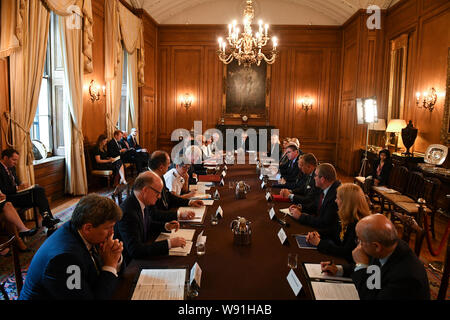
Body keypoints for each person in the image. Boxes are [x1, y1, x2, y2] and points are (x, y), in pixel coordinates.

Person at [20, 194, 124, 300]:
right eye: (108, 228)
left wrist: (114, 257)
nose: (112, 233)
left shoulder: (83, 231)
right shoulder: (65, 260)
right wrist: (110, 265)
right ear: (88, 228)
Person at [321, 214, 430, 300]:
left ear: (376, 246)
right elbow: (374, 276)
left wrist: (361, 265)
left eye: (360, 240)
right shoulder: (386, 246)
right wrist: (339, 270)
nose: (358, 245)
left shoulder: (406, 277)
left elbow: (370, 296)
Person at [114, 171, 187, 264]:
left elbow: (146, 224)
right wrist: (169, 243)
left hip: (142, 252)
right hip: (130, 264)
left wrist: (165, 226)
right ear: (145, 190)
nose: (159, 197)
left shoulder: (142, 200)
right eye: (157, 193)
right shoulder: (128, 212)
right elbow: (135, 250)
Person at [305, 183, 371, 262]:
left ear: (346, 203)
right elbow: (333, 231)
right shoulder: (345, 214)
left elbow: (346, 252)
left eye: (338, 198)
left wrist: (319, 243)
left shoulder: (359, 225)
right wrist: (318, 233)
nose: (335, 201)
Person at [0, 148, 60, 233]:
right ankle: (48, 221)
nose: (15, 163)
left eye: (16, 160)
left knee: (38, 189)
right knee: (38, 195)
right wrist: (17, 188)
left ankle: (47, 219)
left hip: (16, 195)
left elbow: (16, 182)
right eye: (13, 160)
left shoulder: (11, 168)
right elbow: (2, 190)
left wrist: (22, 186)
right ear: (5, 158)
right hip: (8, 198)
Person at [289, 163, 341, 236]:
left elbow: (324, 222)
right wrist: (301, 208)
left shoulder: (335, 195)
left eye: (315, 175)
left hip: (328, 234)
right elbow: (316, 205)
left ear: (322, 179)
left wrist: (301, 216)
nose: (314, 178)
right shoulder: (325, 187)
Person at [149, 151, 202, 222]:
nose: (169, 167)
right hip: (160, 221)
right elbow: (154, 214)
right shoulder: (149, 181)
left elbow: (169, 196)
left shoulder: (160, 175)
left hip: (166, 214)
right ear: (161, 167)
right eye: (168, 165)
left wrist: (189, 202)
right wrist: (178, 214)